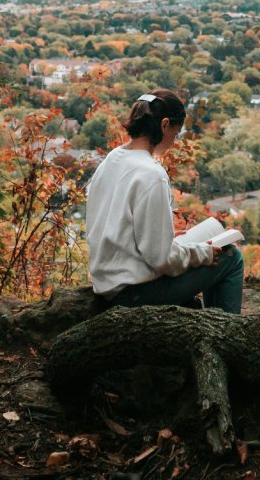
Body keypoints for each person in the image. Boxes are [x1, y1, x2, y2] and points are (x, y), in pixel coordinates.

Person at [86, 88, 244, 314]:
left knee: (202, 250)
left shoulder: (113, 159)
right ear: (164, 125)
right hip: (134, 292)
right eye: (176, 133)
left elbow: (118, 227)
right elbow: (161, 260)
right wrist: (202, 253)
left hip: (108, 281)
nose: (174, 140)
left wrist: (169, 241)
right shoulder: (151, 173)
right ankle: (227, 335)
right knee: (231, 256)